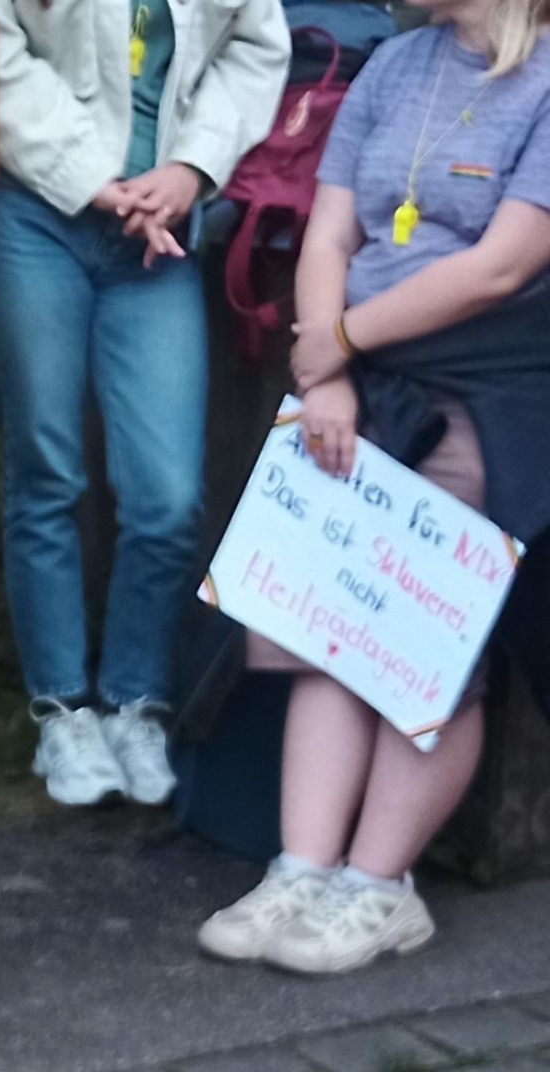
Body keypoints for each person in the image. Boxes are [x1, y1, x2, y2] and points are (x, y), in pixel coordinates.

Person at [201, 0, 550, 974]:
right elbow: (328, 236)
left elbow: (506, 264)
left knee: (429, 650)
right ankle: (303, 869)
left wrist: (345, 340)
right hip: (360, 386)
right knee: (330, 630)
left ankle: (378, 887)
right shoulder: (395, 66)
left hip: (487, 390)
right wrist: (328, 376)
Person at [0, 0, 289, 809]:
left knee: (168, 493)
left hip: (163, 228)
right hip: (32, 211)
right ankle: (63, 711)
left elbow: (255, 47)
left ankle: (133, 701)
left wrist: (190, 170)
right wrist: (97, 184)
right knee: (48, 466)